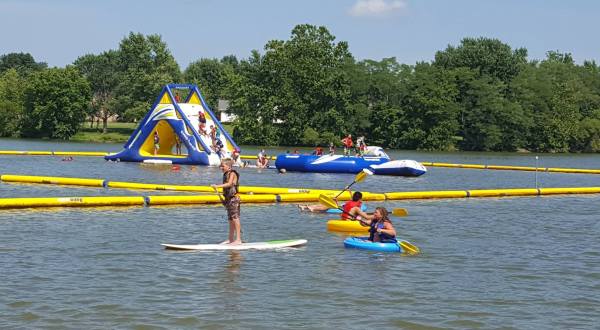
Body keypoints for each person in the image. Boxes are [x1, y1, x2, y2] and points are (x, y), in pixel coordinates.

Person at [211, 158, 242, 245]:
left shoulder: (232, 173)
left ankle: (238, 239)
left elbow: (229, 184)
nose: (221, 168)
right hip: (228, 200)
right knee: (230, 219)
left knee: (235, 218)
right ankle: (231, 239)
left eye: (223, 166)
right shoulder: (226, 174)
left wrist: (217, 186)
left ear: (228, 166)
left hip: (234, 199)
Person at [298, 191, 362, 214]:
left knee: (327, 206)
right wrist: (349, 191)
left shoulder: (357, 204)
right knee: (323, 204)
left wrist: (335, 201)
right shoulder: (355, 202)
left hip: (340, 208)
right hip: (339, 206)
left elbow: (344, 208)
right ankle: (305, 207)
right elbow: (352, 199)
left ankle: (313, 208)